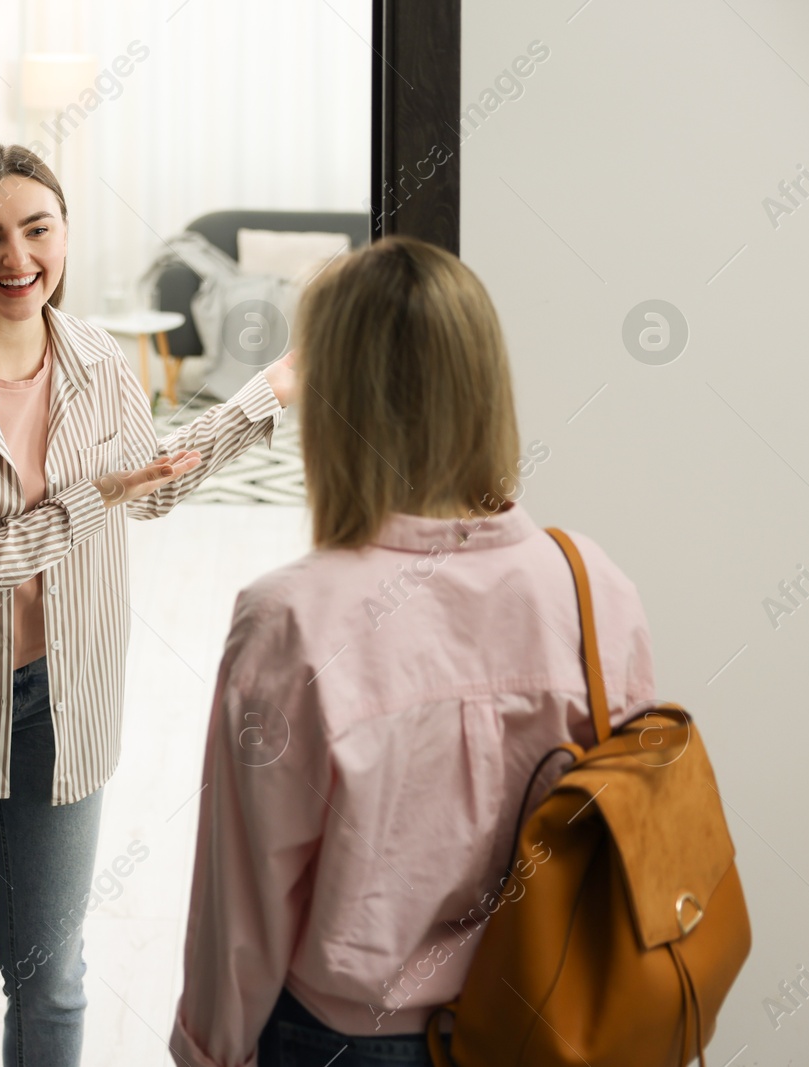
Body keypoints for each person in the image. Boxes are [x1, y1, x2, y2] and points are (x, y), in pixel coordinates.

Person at [0, 143, 298, 1067]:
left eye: (36, 229)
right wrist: (91, 499)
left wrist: (268, 393)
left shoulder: (98, 358)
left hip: (66, 699)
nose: (16, 257)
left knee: (51, 979)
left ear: (65, 235)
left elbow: (156, 486)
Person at [168, 236, 657, 1067]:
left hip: (350, 1041)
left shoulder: (290, 618)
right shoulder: (590, 584)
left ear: (330, 401)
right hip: (556, 1020)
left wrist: (208, 1053)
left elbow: (242, 906)